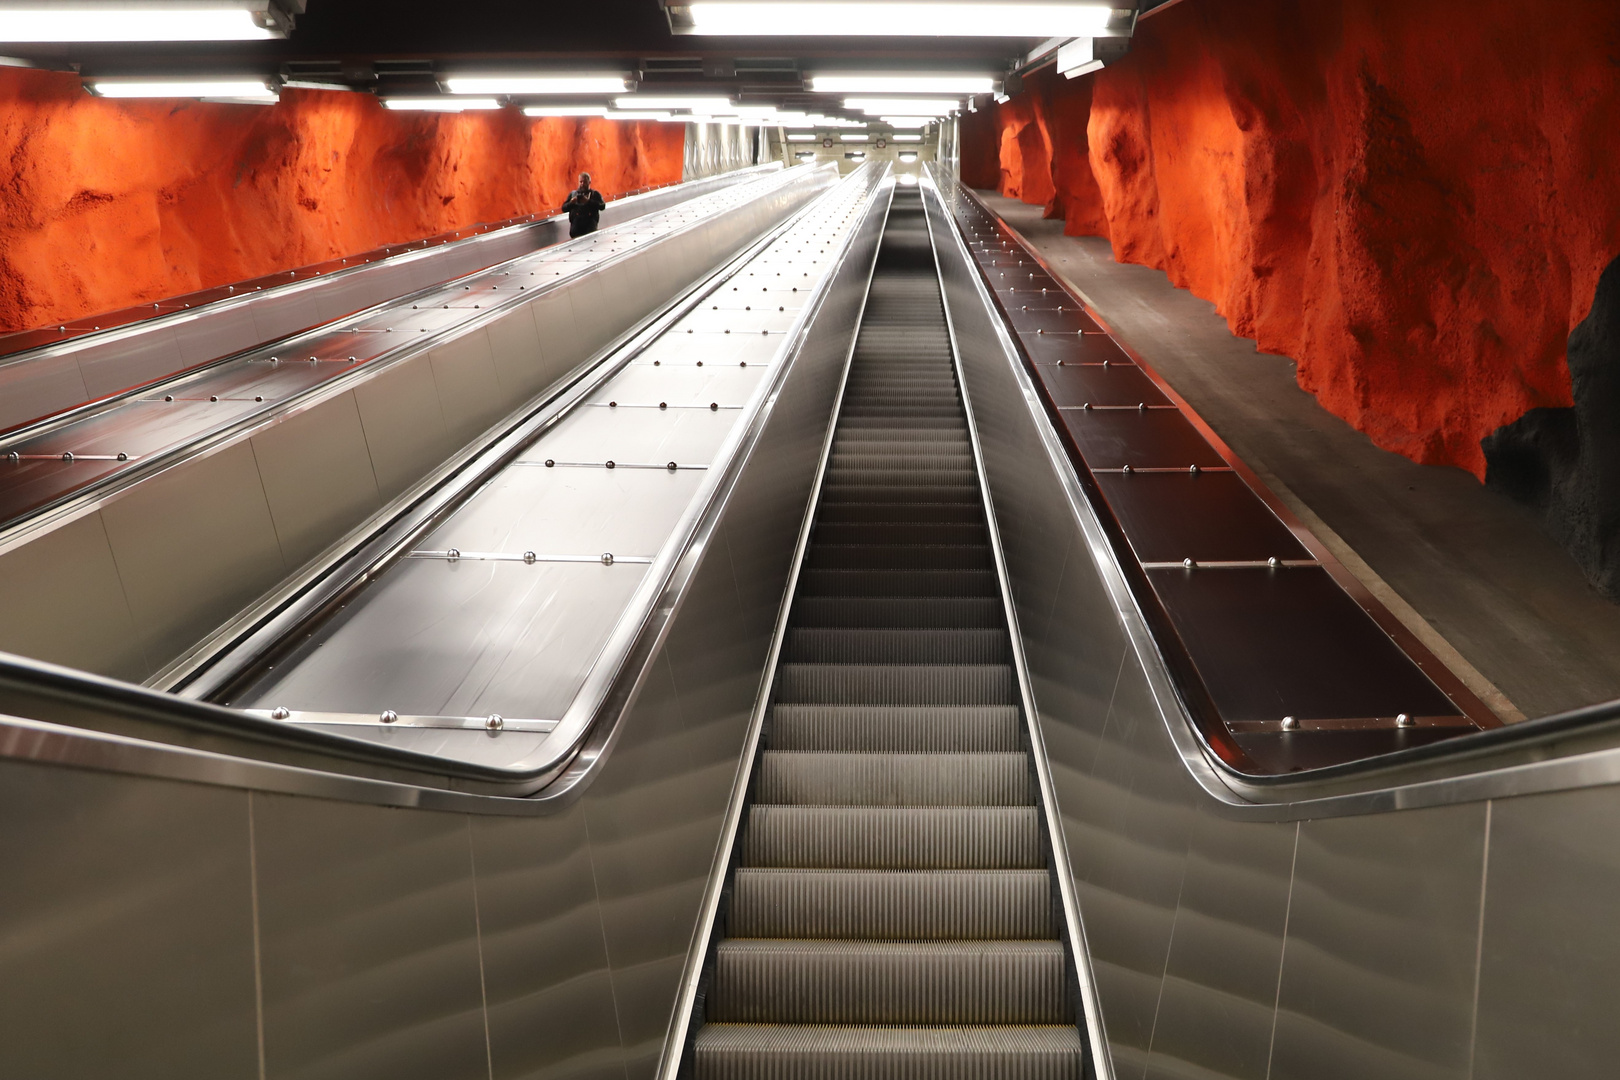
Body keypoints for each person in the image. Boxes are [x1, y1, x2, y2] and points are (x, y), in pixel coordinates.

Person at [562, 172, 606, 238]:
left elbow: (602, 206)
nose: (582, 184)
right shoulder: (573, 194)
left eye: (584, 182)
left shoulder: (595, 194)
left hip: (590, 226)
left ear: (589, 182)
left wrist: (588, 201)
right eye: (581, 182)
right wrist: (571, 203)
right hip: (576, 227)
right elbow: (563, 208)